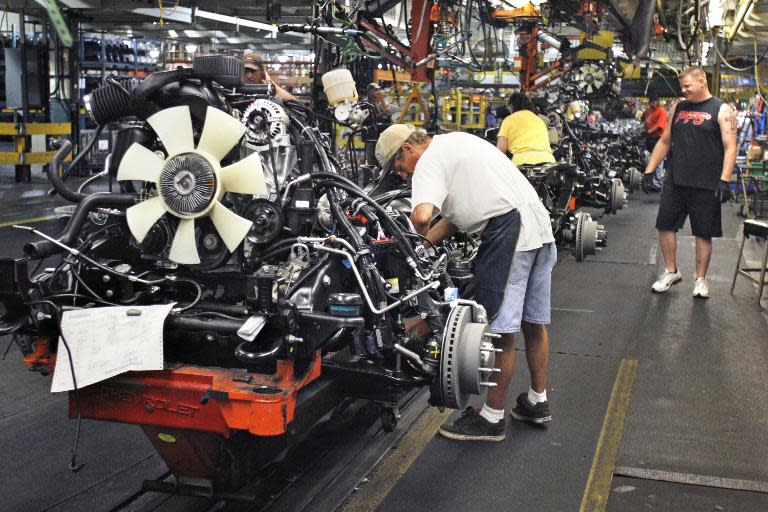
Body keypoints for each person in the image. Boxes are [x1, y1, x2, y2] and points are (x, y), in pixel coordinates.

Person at [375, 124, 557, 441]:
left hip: (510, 236)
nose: (402, 174)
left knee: (501, 331)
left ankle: (491, 418)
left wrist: (408, 250)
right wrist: (423, 246)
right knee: (533, 323)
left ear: (407, 149)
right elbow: (456, 217)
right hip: (539, 230)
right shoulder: (456, 142)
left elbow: (420, 217)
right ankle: (537, 401)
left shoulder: (428, 161)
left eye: (399, 166)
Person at [643, 66, 737, 298]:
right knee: (665, 225)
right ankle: (671, 271)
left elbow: (730, 147)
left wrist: (725, 180)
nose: (683, 90)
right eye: (682, 86)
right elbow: (665, 141)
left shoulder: (722, 109)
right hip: (676, 180)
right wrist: (649, 170)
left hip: (707, 183)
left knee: (703, 233)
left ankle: (701, 280)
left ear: (702, 82)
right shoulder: (678, 107)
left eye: (687, 86)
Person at [496, 92, 556, 166]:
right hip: (547, 161)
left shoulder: (509, 120)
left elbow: (500, 150)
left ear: (512, 106)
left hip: (522, 162)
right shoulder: (539, 119)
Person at [641, 93, 667, 191]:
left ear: (658, 102)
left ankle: (657, 183)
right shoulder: (648, 111)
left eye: (655, 102)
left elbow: (659, 125)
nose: (653, 104)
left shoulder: (661, 111)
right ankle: (651, 181)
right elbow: (643, 118)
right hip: (650, 139)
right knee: (649, 159)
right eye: (651, 102)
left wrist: (649, 131)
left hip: (658, 139)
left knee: (658, 160)